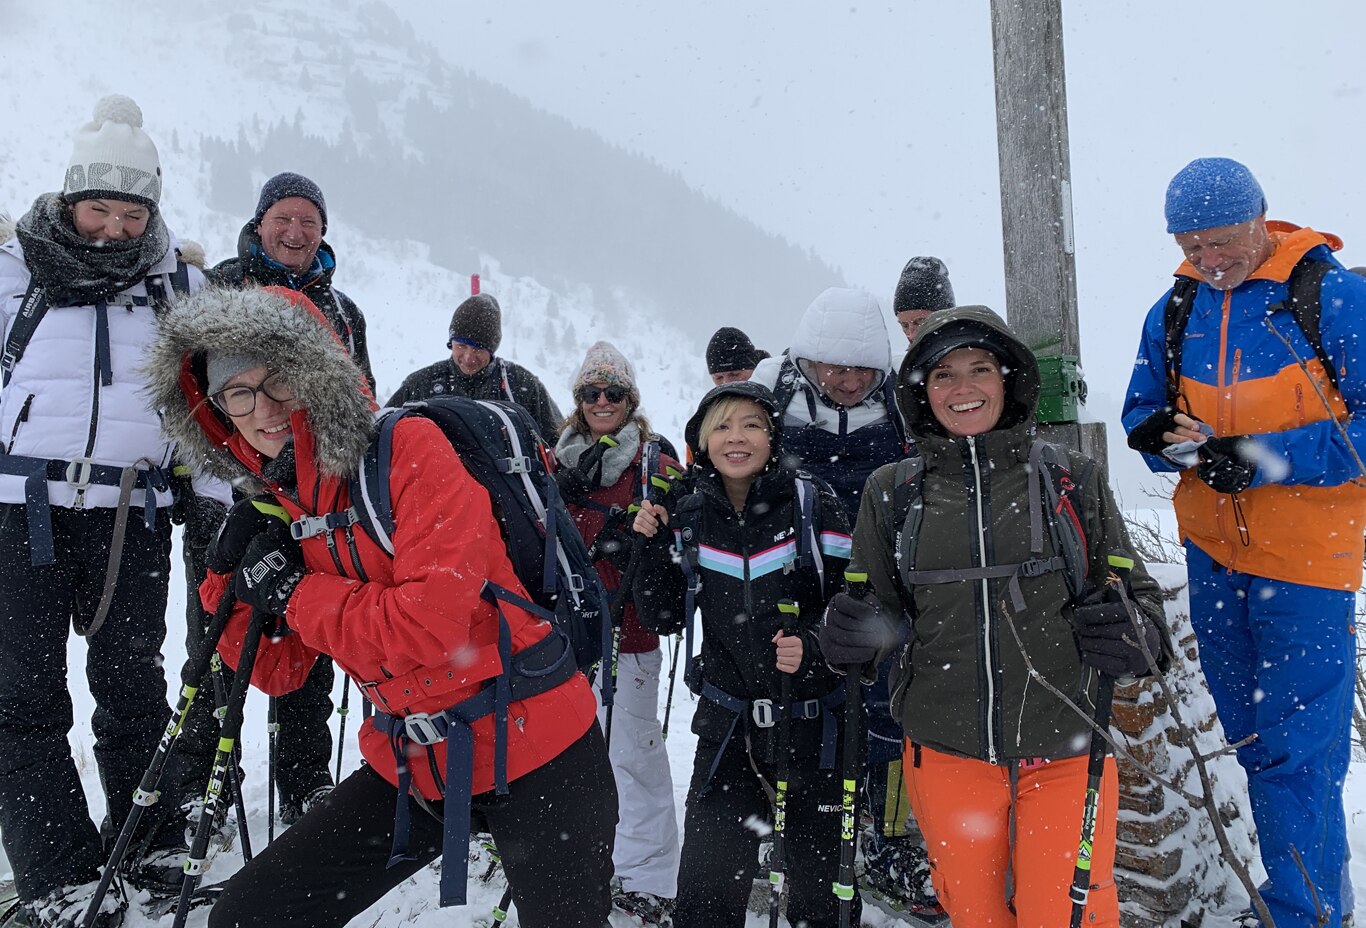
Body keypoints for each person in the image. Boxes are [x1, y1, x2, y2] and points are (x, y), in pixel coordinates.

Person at [143, 284, 616, 928]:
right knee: (251, 916)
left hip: (538, 742)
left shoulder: (409, 448)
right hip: (417, 757)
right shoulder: (287, 503)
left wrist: (295, 591)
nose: (264, 409)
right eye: (237, 394)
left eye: (277, 380)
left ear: (313, 371)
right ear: (217, 410)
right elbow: (279, 671)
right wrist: (226, 577)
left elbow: (428, 629)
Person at [821, 305, 1168, 928]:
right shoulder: (891, 491)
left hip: (1065, 746)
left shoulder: (1070, 478)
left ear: (1009, 381)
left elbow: (1134, 596)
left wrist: (1136, 633)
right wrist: (849, 635)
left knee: (1065, 916)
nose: (963, 388)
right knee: (974, 916)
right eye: (943, 375)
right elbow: (880, 611)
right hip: (947, 750)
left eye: (980, 369)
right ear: (920, 392)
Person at [1123, 157, 1365, 928]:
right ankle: (1300, 900)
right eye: (1192, 246)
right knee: (1255, 744)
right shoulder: (1175, 310)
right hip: (1215, 561)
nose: (1209, 259)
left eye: (1222, 241)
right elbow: (1143, 410)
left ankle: (1307, 914)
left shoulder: (1333, 299)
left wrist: (1258, 457)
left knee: (1299, 756)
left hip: (1307, 567)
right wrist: (1158, 436)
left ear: (1262, 219)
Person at [0, 94, 220, 928]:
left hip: (133, 511)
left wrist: (210, 507)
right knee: (23, 698)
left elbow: (205, 409)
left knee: (132, 685)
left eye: (133, 211)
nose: (115, 228)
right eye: (101, 207)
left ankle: (148, 838)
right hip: (21, 509)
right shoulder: (11, 271)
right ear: (69, 198)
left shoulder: (181, 286)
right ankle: (57, 870)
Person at [184, 171, 372, 827]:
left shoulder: (344, 312)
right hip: (226, 499)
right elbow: (190, 393)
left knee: (311, 638)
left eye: (308, 222)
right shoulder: (219, 288)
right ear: (260, 222)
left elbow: (357, 403)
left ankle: (305, 782)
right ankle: (207, 777)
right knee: (215, 637)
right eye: (283, 219)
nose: (295, 232)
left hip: (309, 507)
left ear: (323, 232)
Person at [631, 380, 855, 928]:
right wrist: (649, 544)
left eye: (752, 424)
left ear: (772, 436)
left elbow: (858, 601)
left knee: (819, 905)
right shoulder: (688, 512)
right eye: (723, 427)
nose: (737, 438)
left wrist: (813, 642)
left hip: (812, 729)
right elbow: (661, 616)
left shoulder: (812, 500)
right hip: (727, 728)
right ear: (703, 441)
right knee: (706, 899)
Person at [552, 340, 681, 923]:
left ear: (631, 398)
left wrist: (649, 539)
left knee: (631, 754)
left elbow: (689, 531)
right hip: (566, 635)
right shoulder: (559, 459)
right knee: (570, 756)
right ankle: (582, 859)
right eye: (590, 392)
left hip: (629, 632)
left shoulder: (654, 461)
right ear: (577, 399)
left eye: (614, 392)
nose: (602, 401)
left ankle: (650, 875)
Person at [387, 292, 563, 441]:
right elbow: (383, 432)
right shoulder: (422, 384)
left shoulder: (520, 383)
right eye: (461, 346)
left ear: (492, 349)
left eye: (478, 349)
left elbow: (558, 440)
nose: (469, 358)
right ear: (451, 343)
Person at [892, 255, 955, 345]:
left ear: (946, 317)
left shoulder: (974, 355)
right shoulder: (908, 358)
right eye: (905, 325)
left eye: (920, 322)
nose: (911, 335)